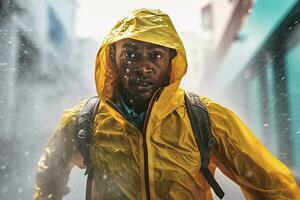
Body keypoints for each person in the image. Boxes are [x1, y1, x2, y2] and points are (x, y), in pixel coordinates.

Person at [33, 8, 300, 200]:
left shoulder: (207, 117)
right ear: (112, 59)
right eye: (130, 54)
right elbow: (47, 184)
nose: (143, 67)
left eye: (155, 55)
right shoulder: (82, 120)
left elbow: (274, 187)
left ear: (171, 61)